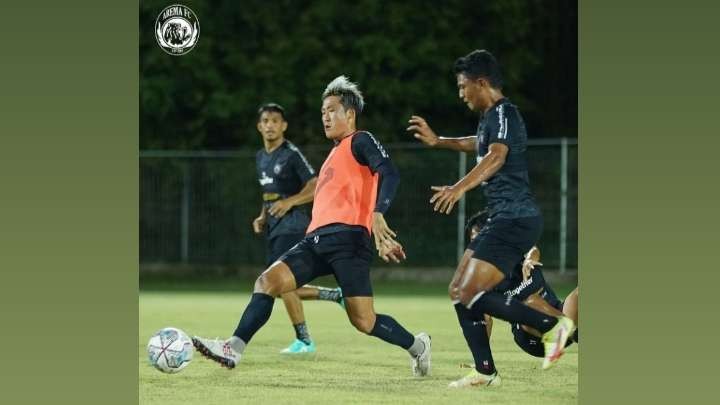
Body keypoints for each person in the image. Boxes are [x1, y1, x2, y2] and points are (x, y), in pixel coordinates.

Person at [193, 76, 431, 376]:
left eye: (332, 110)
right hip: (315, 241)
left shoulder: (361, 140)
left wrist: (378, 214)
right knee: (266, 282)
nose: (325, 117)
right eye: (322, 112)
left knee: (363, 321)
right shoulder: (332, 155)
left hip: (349, 240)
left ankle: (419, 347)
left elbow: (389, 173)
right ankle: (233, 349)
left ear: (350, 114)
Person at [407, 49, 575, 388]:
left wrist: (458, 187)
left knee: (467, 291)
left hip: (514, 218)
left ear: (481, 82)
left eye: (462, 86)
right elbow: (480, 144)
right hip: (507, 218)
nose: (460, 94)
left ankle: (553, 327)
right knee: (460, 291)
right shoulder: (490, 121)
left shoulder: (504, 112)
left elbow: (496, 156)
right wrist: (440, 141)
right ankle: (486, 371)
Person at [252, 102, 345, 354]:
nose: (270, 126)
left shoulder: (290, 154)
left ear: (283, 126)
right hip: (274, 226)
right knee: (281, 285)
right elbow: (269, 194)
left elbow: (315, 186)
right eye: (266, 121)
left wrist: (289, 202)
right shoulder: (261, 157)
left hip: (293, 225)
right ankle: (335, 297)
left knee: (277, 283)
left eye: (275, 121)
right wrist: (262, 216)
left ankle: (304, 340)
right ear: (259, 126)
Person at [465, 211, 579, 359]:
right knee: (530, 302)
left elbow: (534, 250)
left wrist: (529, 260)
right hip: (531, 335)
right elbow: (485, 319)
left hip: (559, 312)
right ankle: (573, 333)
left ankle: (571, 332)